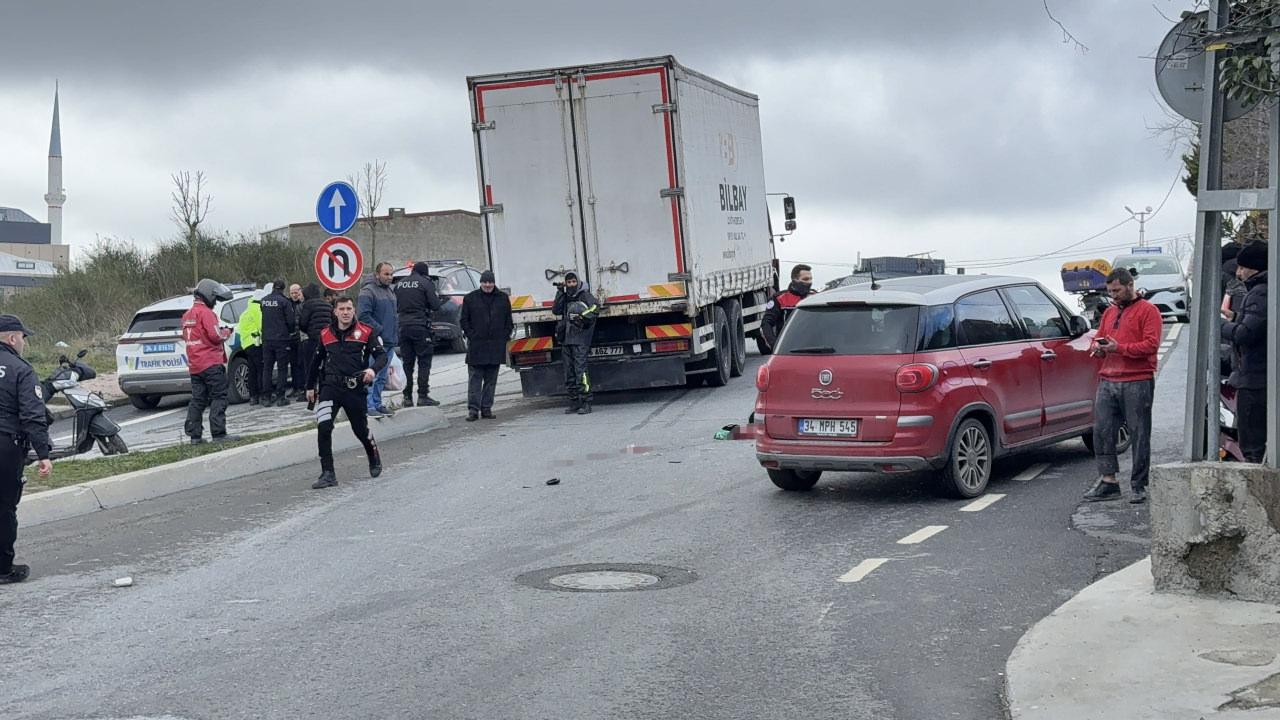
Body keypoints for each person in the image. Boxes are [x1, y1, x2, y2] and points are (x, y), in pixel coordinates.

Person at [1083, 268, 1163, 504]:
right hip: (1108, 379)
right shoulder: (1109, 312)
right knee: (1102, 430)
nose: (1113, 295)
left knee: (1139, 433)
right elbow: (1100, 337)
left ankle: (1139, 484)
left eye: (1117, 290)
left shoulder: (1149, 311)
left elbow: (1151, 345)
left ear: (1130, 285)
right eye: (1110, 291)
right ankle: (1108, 481)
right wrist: (1097, 349)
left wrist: (1119, 348)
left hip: (1137, 379)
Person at [306, 297, 385, 490]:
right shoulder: (325, 334)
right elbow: (316, 362)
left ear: (354, 310)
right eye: (341, 309)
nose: (346, 312)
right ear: (335, 312)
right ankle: (328, 474)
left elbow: (381, 356)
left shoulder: (366, 332)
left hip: (354, 388)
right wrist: (310, 387)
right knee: (324, 427)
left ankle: (373, 457)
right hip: (329, 388)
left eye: (349, 308)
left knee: (360, 430)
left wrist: (372, 370)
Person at [0, 315, 52, 585]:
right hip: (6, 445)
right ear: (12, 338)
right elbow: (33, 415)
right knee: (4, 507)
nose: (24, 343)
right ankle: (3, 568)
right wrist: (43, 454)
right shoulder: (20, 369)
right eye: (23, 337)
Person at [1222, 241, 1269, 463]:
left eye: (1242, 267)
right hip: (1262, 375)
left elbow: (1246, 334)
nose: (1238, 273)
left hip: (1255, 378)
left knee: (1252, 446)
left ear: (1254, 267)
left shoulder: (1259, 293)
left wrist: (1221, 325)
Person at [182, 279, 235, 444]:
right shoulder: (206, 313)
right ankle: (219, 433)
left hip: (195, 365)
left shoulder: (187, 314)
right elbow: (215, 336)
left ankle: (194, 435)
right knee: (219, 396)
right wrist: (226, 332)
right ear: (208, 296)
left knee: (198, 399)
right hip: (211, 362)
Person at [460, 270, 514, 421]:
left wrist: (504, 336)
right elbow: (464, 320)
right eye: (485, 282)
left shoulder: (502, 298)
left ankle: (486, 408)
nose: (488, 285)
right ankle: (473, 410)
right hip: (477, 346)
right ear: (481, 283)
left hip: (495, 346)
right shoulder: (470, 298)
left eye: (490, 282)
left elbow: (508, 321)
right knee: (475, 379)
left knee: (491, 380)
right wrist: (472, 335)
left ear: (494, 283)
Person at [393, 261, 444, 407]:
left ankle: (407, 397)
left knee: (407, 364)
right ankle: (423, 395)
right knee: (424, 361)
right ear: (425, 272)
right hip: (420, 326)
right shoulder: (425, 283)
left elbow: (394, 304)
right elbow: (435, 306)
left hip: (402, 326)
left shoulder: (400, 284)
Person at [552, 271, 600, 415]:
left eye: (573, 282)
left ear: (577, 282)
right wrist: (560, 292)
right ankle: (573, 401)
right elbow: (556, 310)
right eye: (569, 282)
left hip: (580, 338)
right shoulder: (565, 296)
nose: (571, 285)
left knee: (580, 371)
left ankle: (586, 402)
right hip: (566, 339)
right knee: (569, 372)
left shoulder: (585, 295)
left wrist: (582, 317)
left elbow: (595, 308)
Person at [358, 262, 400, 417]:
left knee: (382, 376)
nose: (390, 277)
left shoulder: (389, 291)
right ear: (377, 274)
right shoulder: (368, 291)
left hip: (389, 341)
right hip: (376, 342)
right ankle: (369, 405)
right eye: (386, 274)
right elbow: (363, 316)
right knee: (371, 374)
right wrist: (379, 331)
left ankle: (377, 403)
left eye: (391, 274)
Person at [259, 279, 298, 407]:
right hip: (281, 339)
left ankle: (266, 397)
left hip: (266, 339)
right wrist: (290, 332)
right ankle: (281, 396)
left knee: (267, 368)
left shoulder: (264, 301)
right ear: (283, 289)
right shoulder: (284, 302)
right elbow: (291, 321)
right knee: (282, 369)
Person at [760, 264, 817, 352]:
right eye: (805, 279)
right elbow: (766, 324)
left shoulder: (815, 297)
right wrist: (775, 345)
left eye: (811, 279)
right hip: (788, 350)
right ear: (794, 280)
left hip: (814, 348)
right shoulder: (779, 298)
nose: (809, 282)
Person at [297, 283, 332, 385]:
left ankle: (311, 389)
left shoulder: (308, 305)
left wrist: (308, 331)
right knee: (326, 365)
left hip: (313, 340)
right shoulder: (327, 305)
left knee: (311, 365)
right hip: (327, 339)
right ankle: (324, 387)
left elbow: (302, 323)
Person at [235, 288, 265, 405]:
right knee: (261, 370)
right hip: (257, 343)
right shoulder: (258, 310)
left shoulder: (245, 313)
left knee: (252, 371)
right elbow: (262, 326)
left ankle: (253, 396)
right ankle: (263, 394)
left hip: (246, 345)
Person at [288, 283, 306, 400]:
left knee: (301, 363)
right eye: (292, 293)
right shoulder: (287, 304)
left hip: (301, 337)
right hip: (290, 338)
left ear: (300, 291)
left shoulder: (304, 304)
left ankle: (302, 387)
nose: (294, 295)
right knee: (293, 363)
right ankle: (295, 387)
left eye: (296, 292)